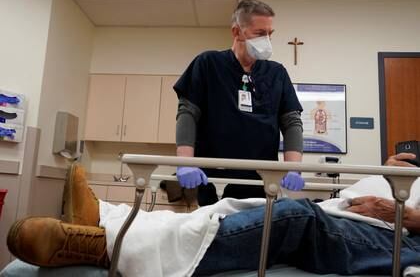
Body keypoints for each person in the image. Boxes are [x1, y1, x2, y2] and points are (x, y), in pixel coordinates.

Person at [6, 153, 420, 276]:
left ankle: (101, 246)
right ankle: (106, 218)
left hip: (403, 241)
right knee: (216, 213)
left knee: (295, 218)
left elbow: (291, 118)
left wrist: (407, 214)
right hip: (362, 218)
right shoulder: (213, 66)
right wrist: (387, 173)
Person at [174, 0, 305, 206]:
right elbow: (188, 112)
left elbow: (292, 122)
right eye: (260, 33)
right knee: (215, 233)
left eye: (270, 34)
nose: (267, 40)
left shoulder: (276, 73)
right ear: (236, 32)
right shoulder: (208, 64)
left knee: (257, 235)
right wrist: (184, 163)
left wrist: (294, 168)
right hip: (214, 176)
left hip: (261, 179)